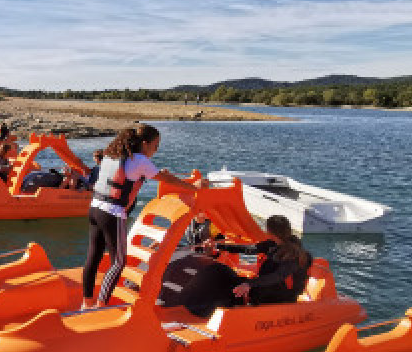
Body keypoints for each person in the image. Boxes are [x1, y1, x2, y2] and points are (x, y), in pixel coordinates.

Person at [80, 124, 187, 310]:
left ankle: (86, 302)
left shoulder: (111, 155)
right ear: (144, 144)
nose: (156, 150)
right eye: (156, 145)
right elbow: (167, 180)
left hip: (95, 208)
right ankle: (100, 305)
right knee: (119, 262)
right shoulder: (139, 160)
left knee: (93, 256)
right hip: (112, 213)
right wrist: (194, 187)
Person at [170, 215, 311, 318]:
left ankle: (212, 312)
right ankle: (195, 306)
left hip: (279, 294)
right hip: (265, 286)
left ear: (270, 231)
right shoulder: (272, 244)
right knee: (220, 273)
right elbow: (248, 249)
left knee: (231, 287)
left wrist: (249, 284)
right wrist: (217, 245)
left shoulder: (293, 254)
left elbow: (277, 276)